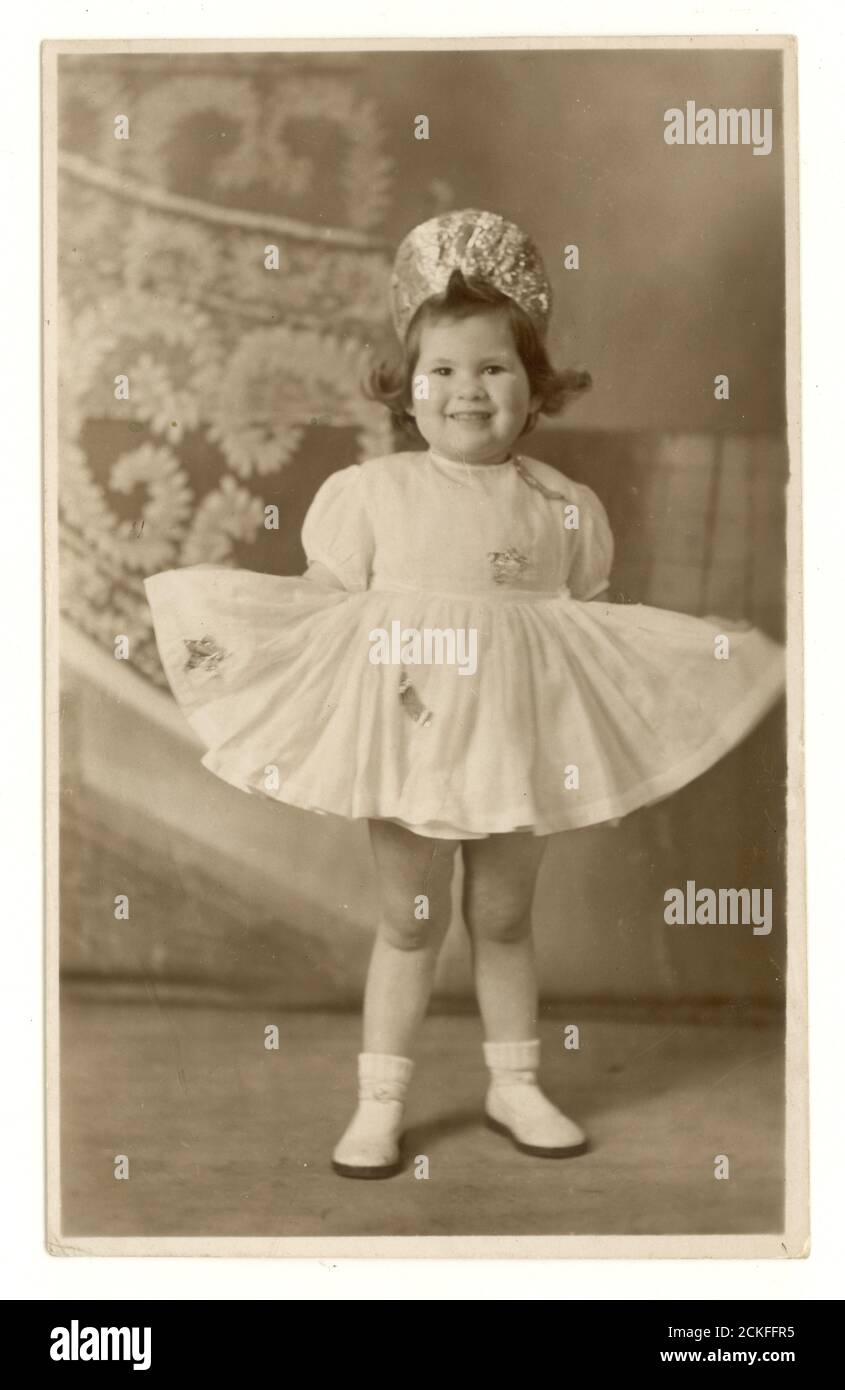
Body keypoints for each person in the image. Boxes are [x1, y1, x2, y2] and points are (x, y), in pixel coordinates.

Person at [144, 209, 785, 1180]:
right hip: (408, 734)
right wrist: (241, 634)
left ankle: (512, 1082)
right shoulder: (372, 495)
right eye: (440, 370)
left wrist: (687, 658)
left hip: (515, 738)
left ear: (534, 388)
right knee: (407, 920)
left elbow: (581, 634)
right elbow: (326, 616)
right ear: (407, 389)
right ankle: (379, 1100)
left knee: (502, 918)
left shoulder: (562, 508)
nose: (465, 389)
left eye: (492, 368)